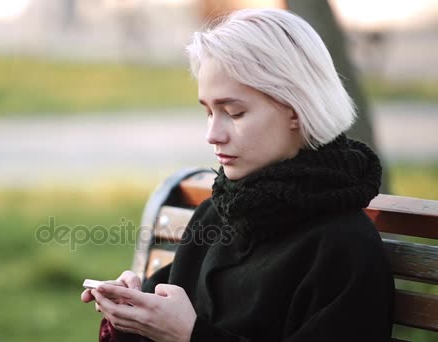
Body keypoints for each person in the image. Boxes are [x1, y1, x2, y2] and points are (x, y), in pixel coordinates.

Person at [81, 8, 394, 342]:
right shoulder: (217, 214)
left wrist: (190, 335)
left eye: (234, 112)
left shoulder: (344, 250)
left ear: (295, 108)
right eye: (208, 111)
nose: (213, 134)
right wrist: (131, 315)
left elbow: (184, 332)